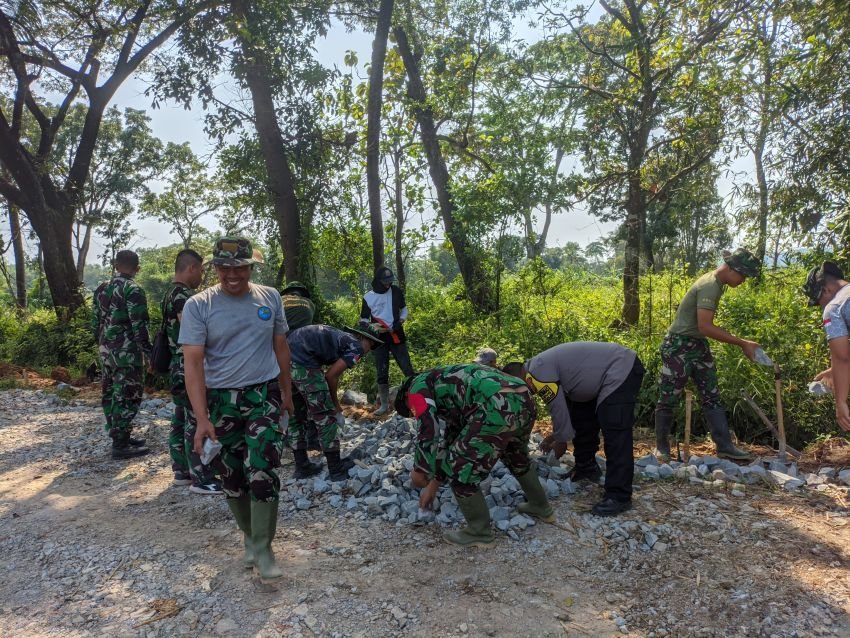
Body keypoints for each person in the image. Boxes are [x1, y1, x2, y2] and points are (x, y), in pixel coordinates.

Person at [180, 237, 295, 580]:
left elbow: (281, 348)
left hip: (263, 395)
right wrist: (201, 418)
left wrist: (287, 394)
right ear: (215, 268)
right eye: (225, 268)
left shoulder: (270, 297)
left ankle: (263, 546)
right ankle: (250, 536)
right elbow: (194, 364)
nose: (233, 274)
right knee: (231, 476)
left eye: (240, 267)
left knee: (263, 469)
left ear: (251, 267)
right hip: (220, 401)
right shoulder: (199, 306)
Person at [395, 364, 553, 547]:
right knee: (516, 456)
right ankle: (541, 507)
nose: (414, 413)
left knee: (460, 470)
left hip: (495, 403)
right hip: (523, 396)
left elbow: (429, 429)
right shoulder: (444, 383)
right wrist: (433, 485)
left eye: (411, 411)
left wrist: (420, 469)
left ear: (405, 396)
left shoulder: (416, 388)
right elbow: (451, 439)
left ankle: (479, 532)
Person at [503, 342, 645, 517]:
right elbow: (565, 411)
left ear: (518, 379)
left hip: (621, 367)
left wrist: (561, 441)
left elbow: (557, 408)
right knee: (581, 416)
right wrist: (556, 435)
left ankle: (619, 495)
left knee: (615, 429)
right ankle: (586, 468)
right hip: (602, 374)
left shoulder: (536, 374)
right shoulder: (537, 368)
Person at [654, 248, 762, 462]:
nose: (743, 280)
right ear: (731, 269)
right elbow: (705, 326)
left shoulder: (717, 284)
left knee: (711, 395)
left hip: (697, 345)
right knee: (669, 396)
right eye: (743, 275)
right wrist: (742, 343)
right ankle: (662, 447)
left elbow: (702, 329)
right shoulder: (710, 286)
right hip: (679, 345)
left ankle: (724, 446)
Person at [286, 323, 383, 480]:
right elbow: (331, 376)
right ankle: (336, 469)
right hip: (303, 362)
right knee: (326, 416)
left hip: (285, 359)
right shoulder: (355, 346)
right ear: (362, 337)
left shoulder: (340, 337)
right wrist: (335, 406)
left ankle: (302, 466)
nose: (369, 350)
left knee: (296, 416)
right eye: (371, 345)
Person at [161, 248, 221, 494]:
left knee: (180, 416)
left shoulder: (168, 293)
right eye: (202, 269)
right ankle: (202, 477)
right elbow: (193, 332)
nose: (202, 275)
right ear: (192, 268)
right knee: (197, 417)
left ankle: (182, 470)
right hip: (188, 364)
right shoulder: (185, 297)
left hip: (176, 365)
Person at [92, 249, 152, 459]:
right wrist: (149, 352)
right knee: (128, 394)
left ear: (116, 265)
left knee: (110, 392)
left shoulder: (101, 288)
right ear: (137, 268)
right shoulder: (133, 289)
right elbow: (139, 325)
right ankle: (120, 444)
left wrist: (102, 344)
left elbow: (95, 321)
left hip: (106, 350)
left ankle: (120, 434)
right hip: (127, 353)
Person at [360, 265, 415, 415]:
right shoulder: (368, 297)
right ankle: (384, 405)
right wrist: (372, 326)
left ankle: (417, 402)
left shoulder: (396, 291)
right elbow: (363, 320)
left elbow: (404, 309)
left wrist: (401, 320)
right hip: (379, 339)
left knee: (407, 369)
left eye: (390, 281)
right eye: (385, 281)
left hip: (397, 335)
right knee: (382, 372)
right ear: (378, 280)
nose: (388, 284)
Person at [802, 261, 850, 431]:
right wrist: (833, 370)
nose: (821, 307)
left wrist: (840, 402)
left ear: (825, 289)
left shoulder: (835, 307)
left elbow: (842, 357)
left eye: (819, 301)